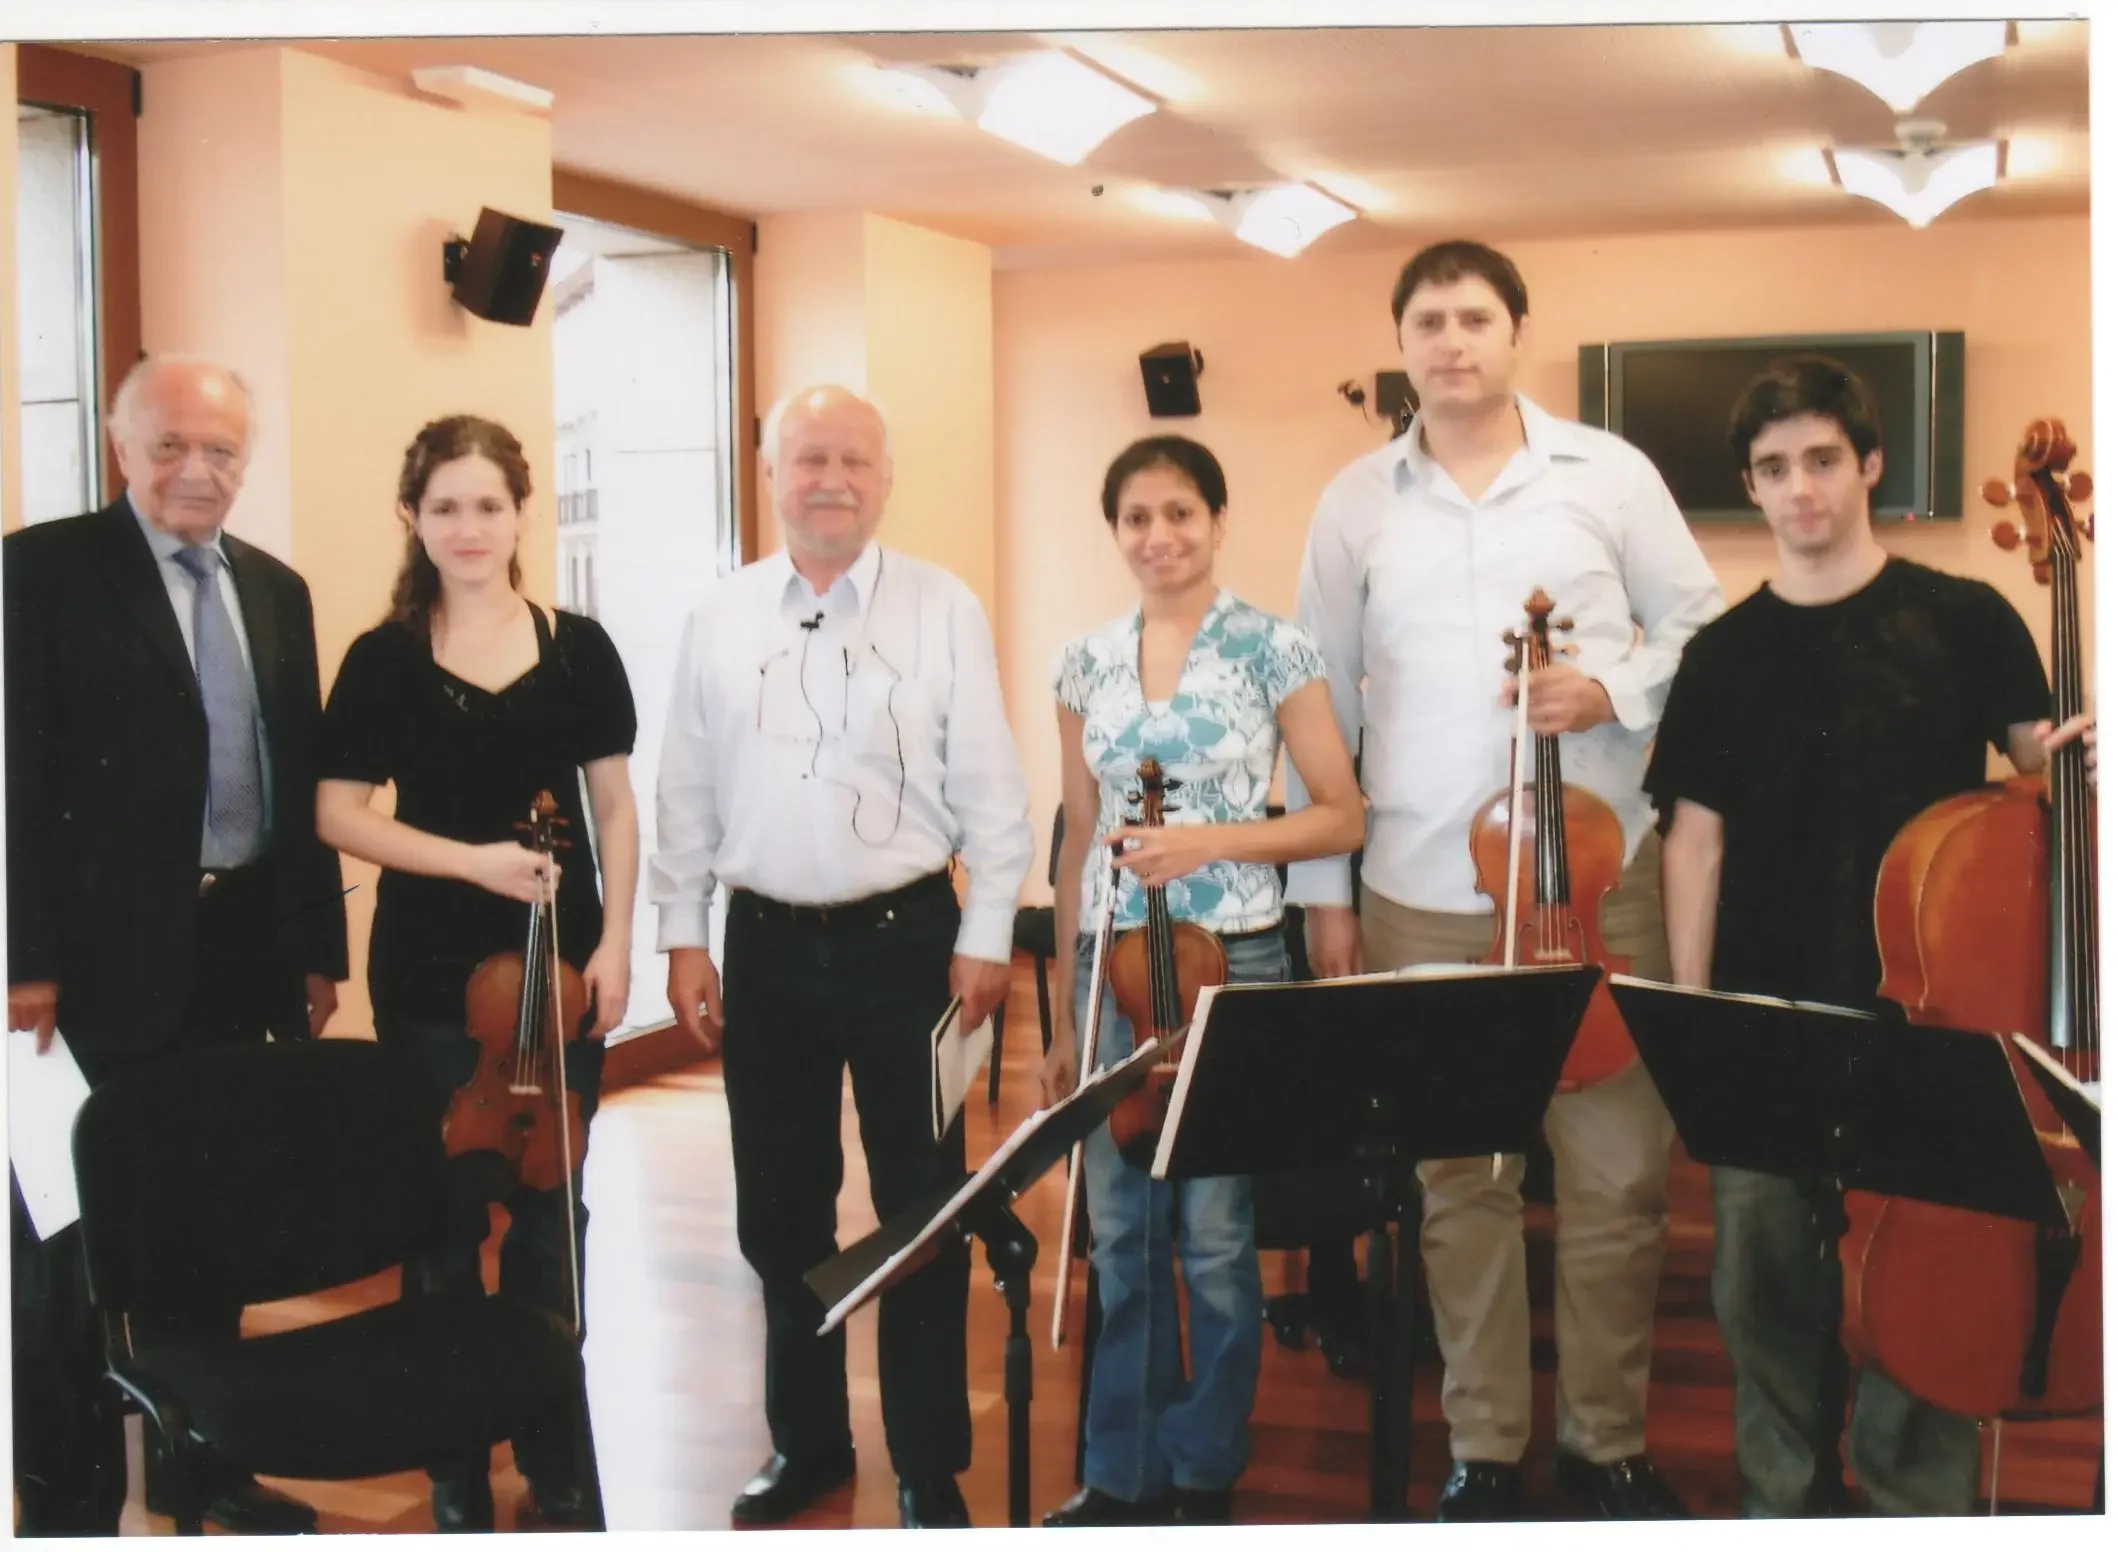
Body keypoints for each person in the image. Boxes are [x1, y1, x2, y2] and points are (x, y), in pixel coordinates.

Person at [1284, 240, 1723, 1520]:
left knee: (1617, 1176)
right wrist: (1326, 893)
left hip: (1598, 877)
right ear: (1403, 342)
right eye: (1428, 319)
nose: (1452, 338)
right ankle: (1483, 1445)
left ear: (1517, 331)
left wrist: (1613, 685)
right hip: (1421, 881)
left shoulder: (1611, 473)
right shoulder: (1354, 500)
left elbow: (1701, 624)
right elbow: (1316, 703)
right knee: (1459, 1185)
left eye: (1475, 315)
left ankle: (1606, 1442)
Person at [1647, 355, 2093, 1516]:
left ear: (1871, 465)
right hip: (1768, 1011)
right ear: (1753, 485)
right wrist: (1703, 1026)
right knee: (1766, 1298)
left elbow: (2042, 776)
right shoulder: (1721, 656)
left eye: (1823, 461)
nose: (1801, 489)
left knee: (1926, 1304)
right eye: (1774, 468)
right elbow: (1693, 844)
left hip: (1933, 1026)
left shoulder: (1967, 617)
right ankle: (1783, 1510)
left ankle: (1913, 1517)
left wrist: (2079, 758)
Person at [651, 384, 1032, 1530]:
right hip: (762, 946)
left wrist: (987, 933)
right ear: (771, 473)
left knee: (923, 1207)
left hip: (908, 946)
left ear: (885, 477)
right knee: (782, 1213)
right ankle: (809, 1441)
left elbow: (994, 790)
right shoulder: (719, 614)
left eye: (854, 461)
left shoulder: (942, 605)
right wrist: (681, 931)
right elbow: (685, 786)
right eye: (808, 458)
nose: (832, 480)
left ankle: (927, 1462)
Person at [6, 355, 347, 1535]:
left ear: (248, 458)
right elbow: (13, 778)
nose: (196, 470)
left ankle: (205, 1466)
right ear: (120, 445)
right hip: (85, 978)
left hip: (242, 952)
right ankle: (70, 1504)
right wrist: (20, 960)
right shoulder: (39, 572)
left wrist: (317, 947)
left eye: (221, 450)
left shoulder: (279, 589)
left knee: (213, 1229)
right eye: (169, 446)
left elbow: (296, 781)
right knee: (70, 1253)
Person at [1033, 436, 1366, 1527]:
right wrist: (1067, 998)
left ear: (1218, 521)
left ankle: (1204, 1462)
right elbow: (1080, 828)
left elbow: (1337, 811)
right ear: (1115, 530)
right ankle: (1122, 1470)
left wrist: (1209, 838)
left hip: (1236, 961)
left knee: (1218, 1238)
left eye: (1180, 512)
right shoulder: (1083, 659)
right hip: (1114, 972)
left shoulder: (1275, 647)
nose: (1159, 536)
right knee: (1123, 1232)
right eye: (1136, 517)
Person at [316, 414, 636, 1532]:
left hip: (562, 972)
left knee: (555, 1224)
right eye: (444, 506)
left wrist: (619, 940)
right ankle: (452, 1463)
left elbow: (614, 806)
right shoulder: (383, 659)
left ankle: (558, 1459)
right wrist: (474, 862)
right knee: (444, 1230)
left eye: (488, 505)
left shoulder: (580, 646)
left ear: (519, 513)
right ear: (412, 517)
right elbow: (337, 811)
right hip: (430, 976)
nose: (468, 526)